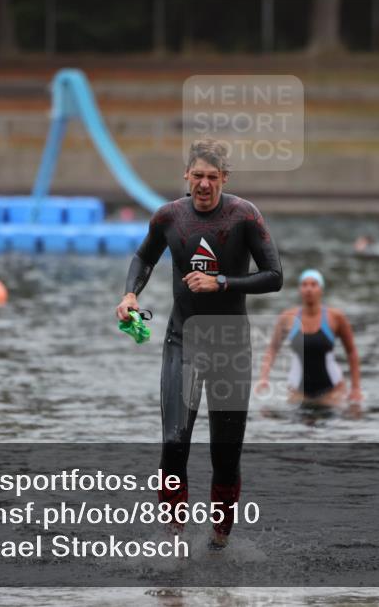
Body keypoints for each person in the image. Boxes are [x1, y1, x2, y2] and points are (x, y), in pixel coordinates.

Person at [115, 138, 283, 549]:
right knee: (174, 443)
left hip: (230, 346)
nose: (204, 184)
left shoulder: (245, 216)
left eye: (213, 177)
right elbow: (144, 257)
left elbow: (274, 276)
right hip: (182, 342)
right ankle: (173, 542)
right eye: (198, 176)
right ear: (186, 177)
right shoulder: (169, 217)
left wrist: (221, 281)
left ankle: (219, 542)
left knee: (224, 456)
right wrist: (130, 294)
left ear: (224, 178)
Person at [255, 269, 362, 407]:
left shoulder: (335, 317)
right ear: (300, 290)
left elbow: (351, 351)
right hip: (298, 391)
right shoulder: (288, 318)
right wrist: (263, 378)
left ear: (321, 289)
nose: (309, 289)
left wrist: (356, 388)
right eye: (304, 285)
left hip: (332, 390)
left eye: (313, 284)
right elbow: (272, 349)